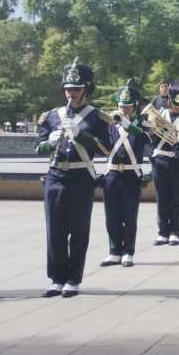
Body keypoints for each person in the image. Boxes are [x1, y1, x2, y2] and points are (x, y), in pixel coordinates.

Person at [36, 59, 112, 298]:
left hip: (81, 177)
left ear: (86, 90)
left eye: (77, 89)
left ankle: (73, 278)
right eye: (68, 89)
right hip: (56, 175)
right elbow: (38, 148)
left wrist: (82, 135)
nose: (72, 93)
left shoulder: (96, 117)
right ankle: (56, 278)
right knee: (54, 231)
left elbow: (106, 149)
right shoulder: (51, 116)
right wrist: (50, 141)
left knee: (78, 231)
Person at [100, 80, 151, 269]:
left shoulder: (142, 122)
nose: (123, 109)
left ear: (135, 106)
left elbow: (146, 140)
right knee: (112, 215)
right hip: (112, 173)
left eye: (128, 106)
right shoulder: (110, 124)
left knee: (129, 216)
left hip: (131, 174)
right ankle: (114, 251)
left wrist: (128, 124)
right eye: (121, 106)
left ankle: (128, 251)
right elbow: (103, 145)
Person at [149, 88, 179, 246]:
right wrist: (154, 130)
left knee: (176, 197)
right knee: (162, 197)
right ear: (169, 101)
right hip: (160, 158)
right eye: (174, 103)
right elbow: (150, 138)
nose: (177, 107)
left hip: (177, 161)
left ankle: (175, 231)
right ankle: (162, 232)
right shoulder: (161, 115)